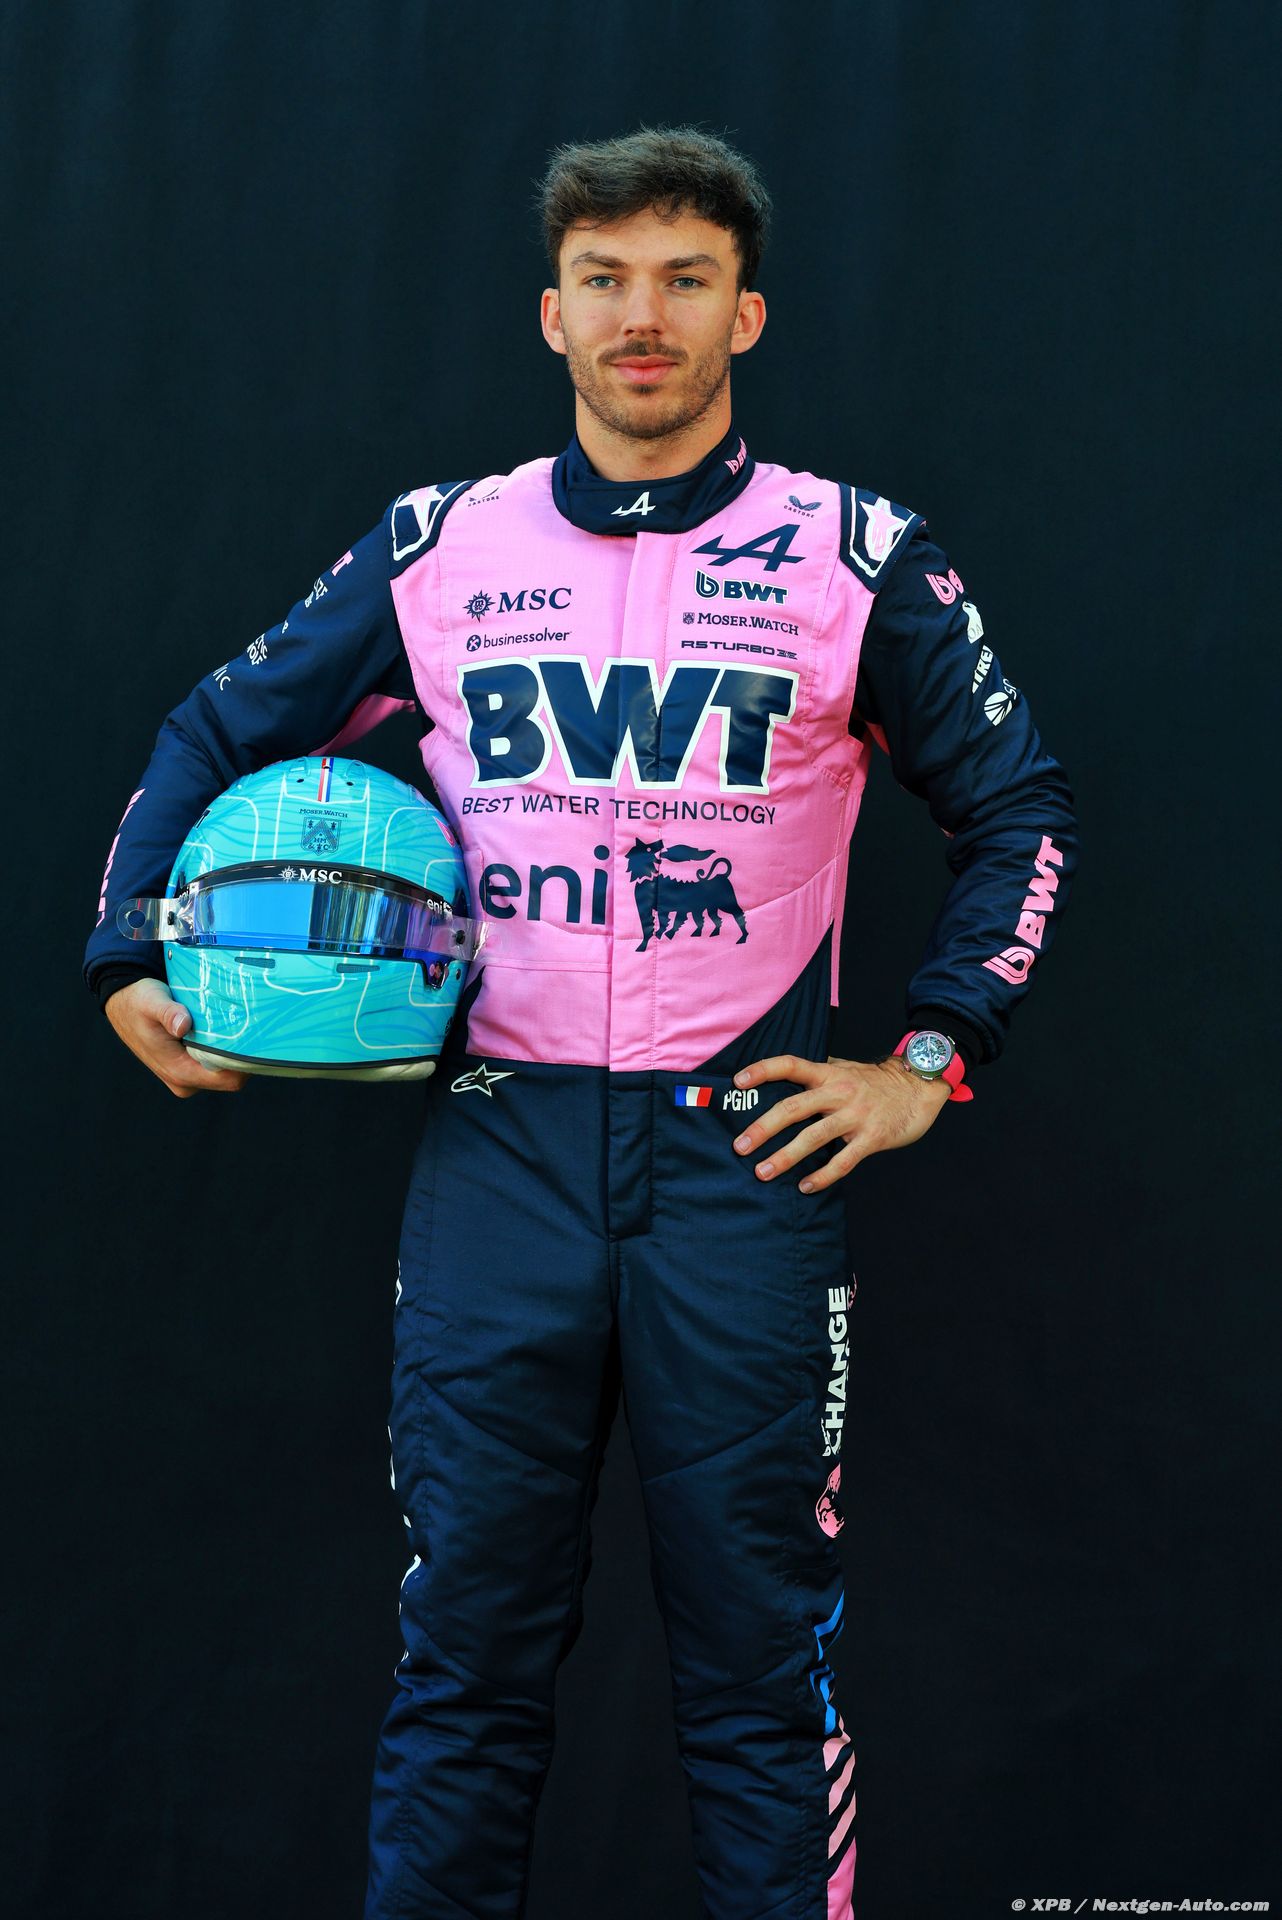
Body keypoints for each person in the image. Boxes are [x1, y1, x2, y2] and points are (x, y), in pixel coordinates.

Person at [84, 126, 1077, 1920]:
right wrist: (127, 955)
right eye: (605, 279)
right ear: (550, 314)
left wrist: (930, 1059)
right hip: (502, 1155)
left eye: (686, 280)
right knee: (463, 1661)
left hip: (743, 1164)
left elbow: (1019, 811)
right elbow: (212, 730)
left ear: (744, 315)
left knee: (760, 1672)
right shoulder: (442, 546)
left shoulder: (855, 556)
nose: (643, 316)